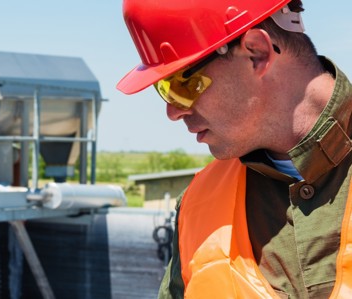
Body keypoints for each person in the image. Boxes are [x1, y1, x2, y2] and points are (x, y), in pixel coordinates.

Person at [117, 0, 352, 298]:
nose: (172, 111)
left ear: (257, 53)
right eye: (162, 88)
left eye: (181, 84)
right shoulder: (196, 206)